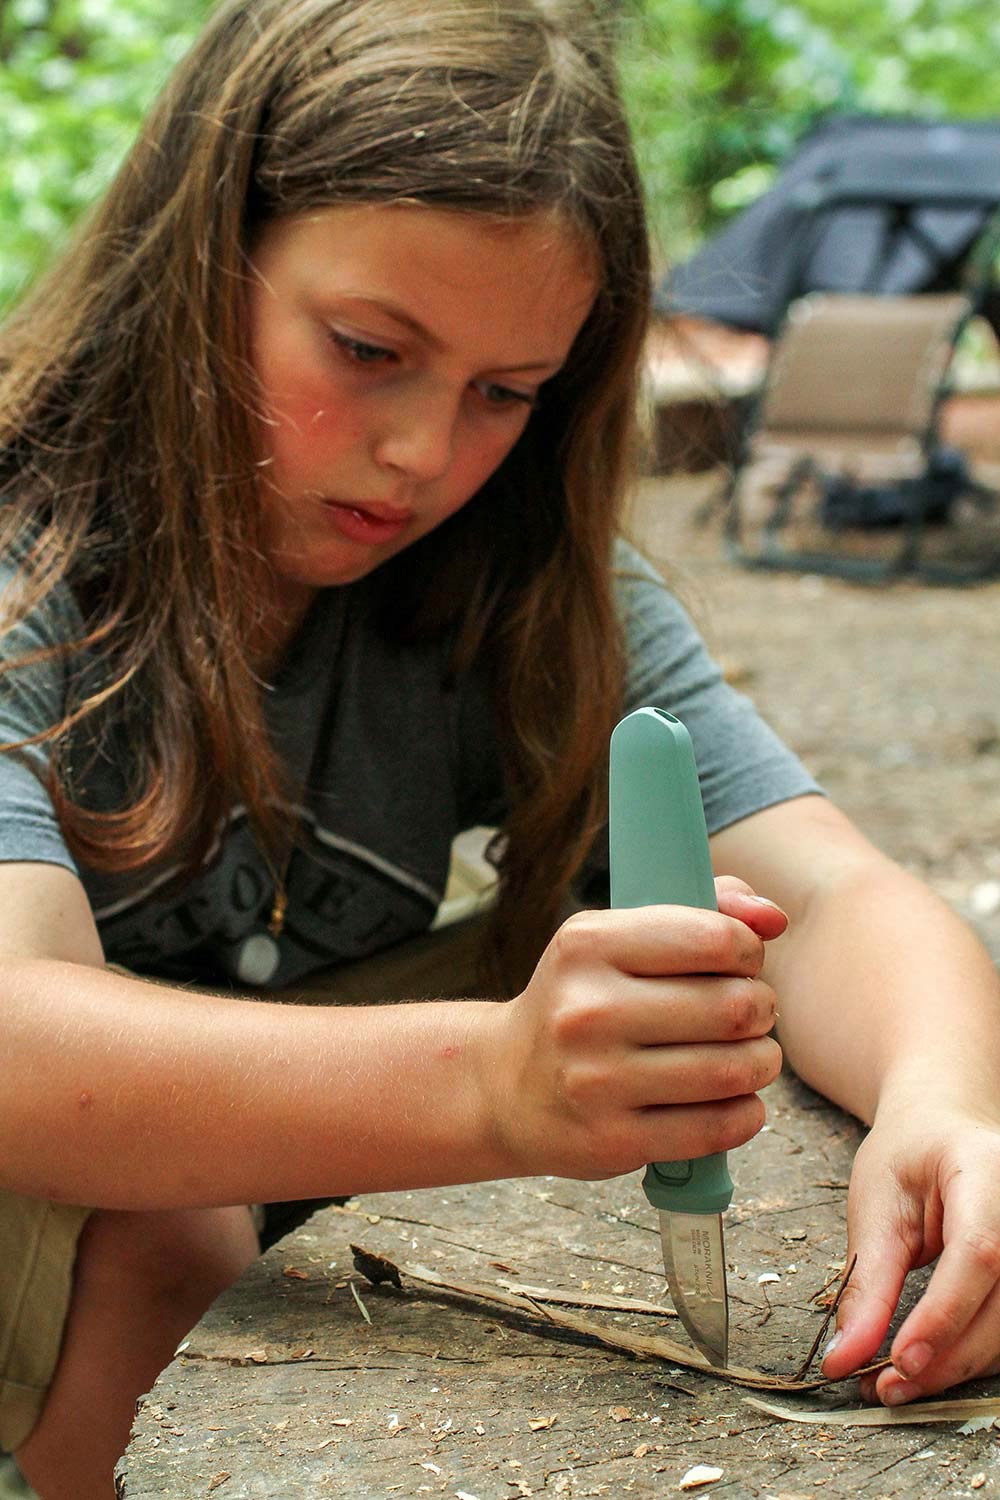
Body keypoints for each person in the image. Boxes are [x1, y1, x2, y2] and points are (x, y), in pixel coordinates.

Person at [1, 1, 999, 1495]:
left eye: (505, 394)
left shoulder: (519, 583)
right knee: (172, 1230)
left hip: (249, 1160)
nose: (422, 453)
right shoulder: (32, 557)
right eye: (367, 349)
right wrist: (493, 1085)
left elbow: (834, 896)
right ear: (203, 259)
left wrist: (950, 1104)